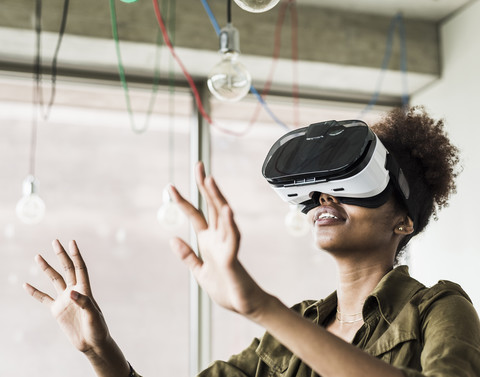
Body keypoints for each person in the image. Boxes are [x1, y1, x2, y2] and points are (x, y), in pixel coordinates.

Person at [24, 106, 480, 377]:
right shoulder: (289, 333)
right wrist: (101, 352)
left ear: (404, 221)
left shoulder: (438, 308)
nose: (325, 197)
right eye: (320, 189)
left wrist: (262, 306)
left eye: (349, 183)